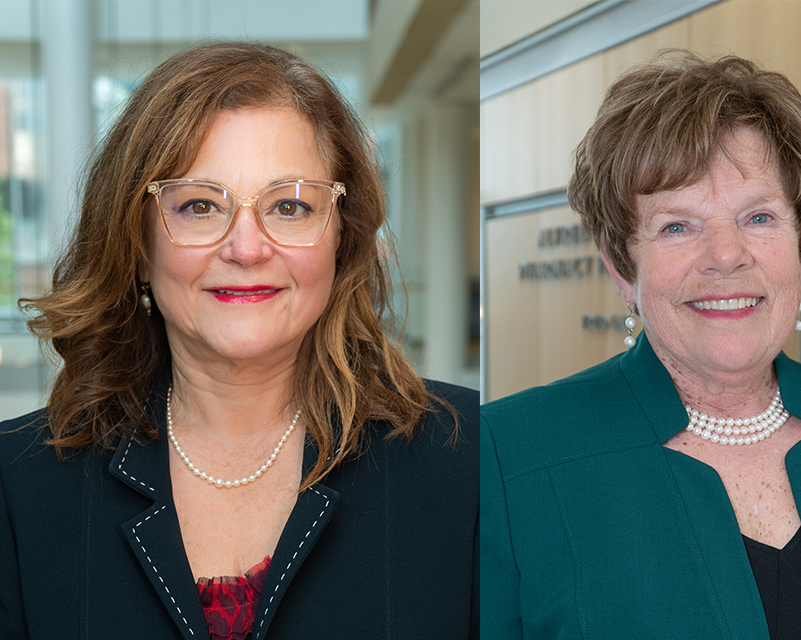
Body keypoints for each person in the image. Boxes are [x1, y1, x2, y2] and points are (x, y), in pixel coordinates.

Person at [0, 42, 477, 640]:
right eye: (200, 205)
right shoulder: (18, 485)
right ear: (137, 243)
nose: (247, 248)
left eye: (290, 206)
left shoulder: (469, 459)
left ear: (341, 239)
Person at [480, 51, 801, 639]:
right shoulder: (509, 459)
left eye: (759, 217)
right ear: (621, 268)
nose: (727, 254)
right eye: (678, 225)